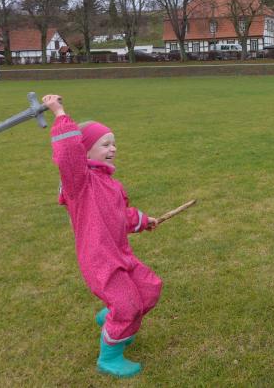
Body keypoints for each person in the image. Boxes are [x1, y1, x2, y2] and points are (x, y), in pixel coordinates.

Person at [43, 94, 162, 378]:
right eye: (105, 144)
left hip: (120, 253)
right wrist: (59, 114)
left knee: (149, 289)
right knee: (127, 306)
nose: (113, 148)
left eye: (113, 143)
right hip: (99, 260)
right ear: (85, 151)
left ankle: (112, 318)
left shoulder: (111, 184)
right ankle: (109, 358)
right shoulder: (79, 185)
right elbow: (68, 153)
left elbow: (119, 215)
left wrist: (143, 220)